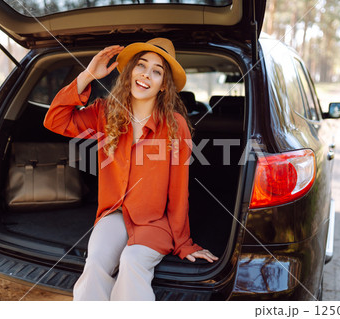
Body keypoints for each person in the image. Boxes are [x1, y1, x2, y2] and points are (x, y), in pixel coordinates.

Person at [43, 38, 218, 301]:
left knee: (132, 263)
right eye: (141, 65)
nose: (146, 74)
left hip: (154, 222)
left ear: (163, 86)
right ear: (130, 72)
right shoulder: (105, 112)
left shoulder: (175, 125)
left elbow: (179, 190)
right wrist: (88, 75)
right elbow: (56, 120)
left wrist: (183, 242)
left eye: (156, 71)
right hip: (114, 214)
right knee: (94, 266)